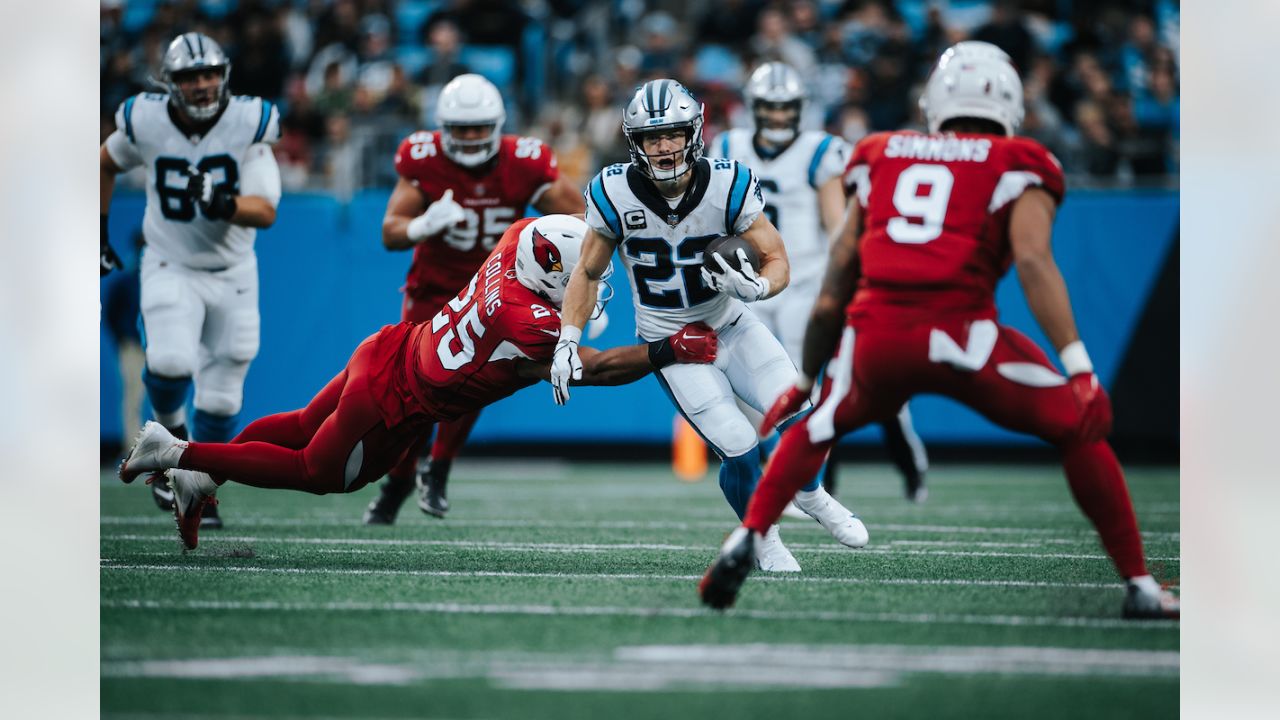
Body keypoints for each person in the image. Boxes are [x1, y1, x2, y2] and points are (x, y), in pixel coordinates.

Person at [698, 42, 1179, 620]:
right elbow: (1033, 262)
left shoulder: (880, 152)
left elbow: (837, 281)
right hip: (964, 335)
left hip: (877, 335)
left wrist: (809, 376)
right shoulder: (1020, 160)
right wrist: (1078, 366)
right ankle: (1139, 584)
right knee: (1078, 428)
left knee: (817, 422)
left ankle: (749, 535)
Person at [119, 215, 718, 550]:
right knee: (319, 474)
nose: (592, 278)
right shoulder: (527, 319)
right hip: (395, 401)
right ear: (550, 272)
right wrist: (668, 348)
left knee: (303, 424)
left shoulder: (518, 241)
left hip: (390, 346)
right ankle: (176, 452)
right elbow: (595, 368)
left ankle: (202, 477)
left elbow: (547, 288)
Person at [553, 79, 868, 573]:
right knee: (739, 447)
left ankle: (813, 496)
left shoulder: (727, 180)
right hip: (672, 340)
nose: (664, 146)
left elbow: (777, 257)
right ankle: (762, 538)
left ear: (694, 132)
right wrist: (568, 339)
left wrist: (759, 288)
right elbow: (588, 272)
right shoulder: (613, 189)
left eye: (674, 134)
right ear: (635, 142)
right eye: (653, 137)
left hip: (733, 324)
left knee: (803, 417)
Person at [367, 73, 587, 525]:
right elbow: (390, 232)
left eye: (478, 128)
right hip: (432, 289)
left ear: (498, 125)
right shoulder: (422, 157)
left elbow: (581, 218)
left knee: (470, 385)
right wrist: (421, 225)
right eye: (460, 129)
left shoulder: (524, 161)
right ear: (443, 127)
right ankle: (402, 476)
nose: (469, 138)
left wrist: (580, 284)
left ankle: (440, 466)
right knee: (411, 391)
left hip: (493, 289)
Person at [712, 61, 929, 504]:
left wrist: (846, 279)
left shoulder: (819, 150)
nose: (776, 118)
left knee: (793, 383)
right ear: (754, 108)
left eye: (784, 108)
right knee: (746, 385)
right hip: (747, 282)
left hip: (803, 280)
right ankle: (784, 475)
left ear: (800, 109)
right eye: (768, 109)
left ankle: (805, 481)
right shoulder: (729, 145)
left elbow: (837, 225)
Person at [101, 32, 283, 529]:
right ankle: (169, 451)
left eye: (208, 74)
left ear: (223, 77)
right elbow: (105, 161)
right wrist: (97, 228)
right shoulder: (148, 120)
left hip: (234, 271)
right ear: (170, 83)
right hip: (169, 261)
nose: (201, 85)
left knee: (224, 398)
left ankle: (196, 482)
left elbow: (265, 210)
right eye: (189, 76)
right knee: (170, 359)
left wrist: (224, 203)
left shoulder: (250, 124)